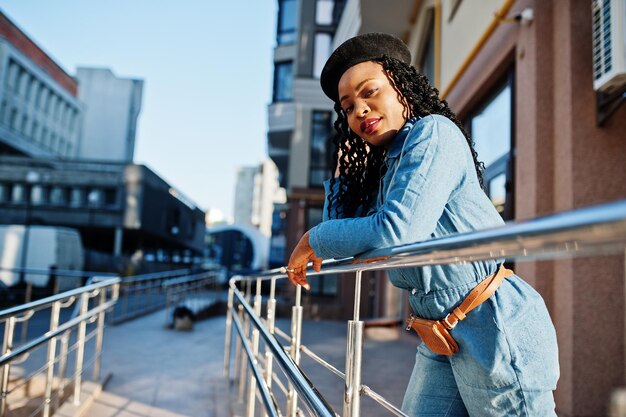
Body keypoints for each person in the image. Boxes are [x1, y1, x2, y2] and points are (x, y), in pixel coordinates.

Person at [285, 33, 559, 416]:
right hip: (438, 330)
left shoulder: (433, 134)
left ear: (402, 88)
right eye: (347, 108)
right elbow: (350, 229)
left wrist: (315, 236)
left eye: (370, 92)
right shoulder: (389, 166)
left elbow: (393, 233)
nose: (359, 110)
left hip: (492, 325)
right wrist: (348, 161)